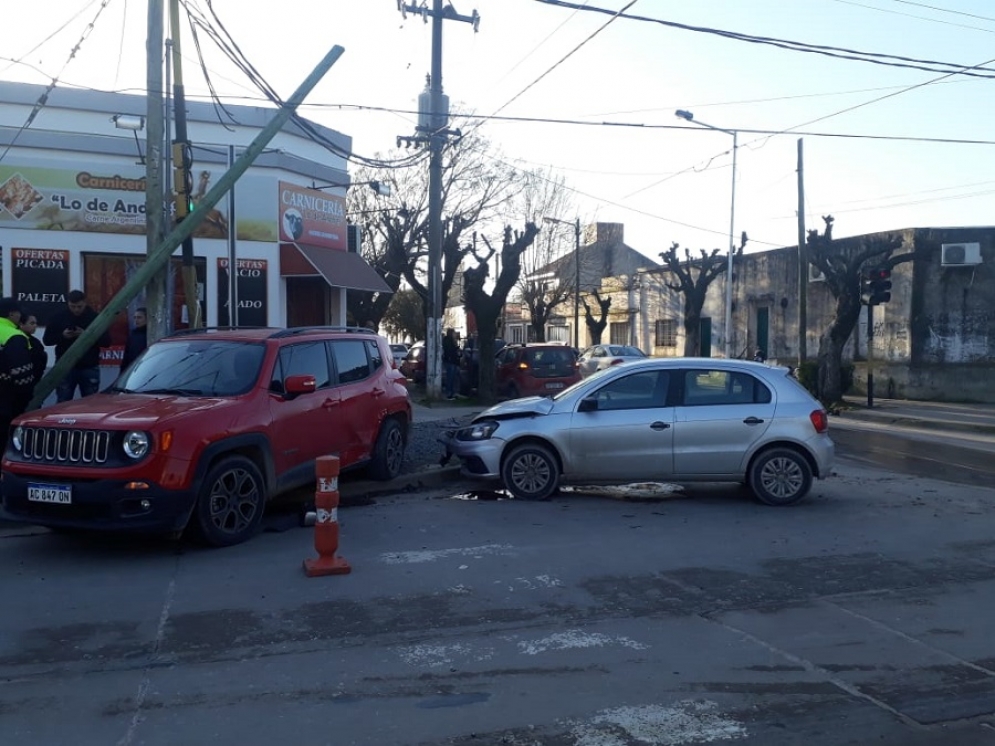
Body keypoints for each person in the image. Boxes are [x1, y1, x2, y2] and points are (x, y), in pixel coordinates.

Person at [43, 289, 112, 402]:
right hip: (65, 366)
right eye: (73, 306)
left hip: (89, 365)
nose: (76, 309)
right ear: (68, 303)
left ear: (85, 302)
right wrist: (63, 336)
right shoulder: (58, 317)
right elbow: (47, 340)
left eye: (79, 306)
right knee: (63, 402)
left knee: (90, 403)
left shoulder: (95, 318)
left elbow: (107, 342)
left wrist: (86, 335)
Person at [0, 298, 36, 450]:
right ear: (12, 314)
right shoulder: (15, 336)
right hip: (6, 397)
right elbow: (23, 376)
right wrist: (25, 397)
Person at [18, 311, 48, 387]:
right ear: (21, 324)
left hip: (32, 380)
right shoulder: (15, 340)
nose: (35, 326)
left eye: (36, 323)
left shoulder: (36, 342)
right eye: (32, 323)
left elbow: (41, 362)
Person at [120, 307, 148, 371]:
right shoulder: (133, 334)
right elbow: (126, 355)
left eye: (139, 317)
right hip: (132, 370)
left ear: (146, 319)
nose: (136, 320)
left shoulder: (151, 334)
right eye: (134, 317)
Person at [442, 328, 460, 400]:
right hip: (450, 361)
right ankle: (449, 393)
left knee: (453, 378)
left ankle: (452, 392)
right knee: (450, 377)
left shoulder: (452, 340)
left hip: (453, 361)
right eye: (453, 333)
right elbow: (449, 350)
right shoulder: (447, 340)